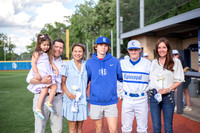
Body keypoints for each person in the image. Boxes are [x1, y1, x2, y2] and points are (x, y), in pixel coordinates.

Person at [26, 38, 64, 133]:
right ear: (52, 46)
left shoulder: (64, 64)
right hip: (41, 97)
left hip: (57, 99)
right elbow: (29, 79)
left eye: (61, 48)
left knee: (57, 129)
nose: (58, 49)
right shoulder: (41, 59)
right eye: (56, 47)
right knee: (39, 129)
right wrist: (43, 81)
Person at [86, 36, 122, 133]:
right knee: (99, 129)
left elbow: (121, 78)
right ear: (96, 47)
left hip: (111, 101)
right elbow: (86, 81)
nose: (103, 47)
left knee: (113, 130)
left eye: (106, 45)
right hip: (96, 101)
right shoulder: (89, 63)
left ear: (108, 47)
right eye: (101, 45)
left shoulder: (115, 61)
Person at [149, 37, 184, 133]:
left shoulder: (176, 62)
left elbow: (179, 80)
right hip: (154, 96)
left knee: (168, 127)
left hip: (168, 96)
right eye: (159, 47)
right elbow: (150, 78)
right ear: (156, 49)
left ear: (168, 48)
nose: (161, 50)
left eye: (164, 47)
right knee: (156, 127)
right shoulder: (154, 62)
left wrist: (168, 89)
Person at [120, 40, 151, 133]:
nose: (133, 52)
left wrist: (146, 90)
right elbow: (118, 79)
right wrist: (120, 93)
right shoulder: (122, 63)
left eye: (136, 50)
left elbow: (152, 80)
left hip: (141, 99)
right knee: (126, 128)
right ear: (128, 51)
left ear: (140, 50)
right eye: (131, 50)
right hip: (127, 98)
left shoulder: (147, 63)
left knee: (142, 128)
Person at [61, 42, 89, 133]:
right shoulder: (67, 65)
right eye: (75, 51)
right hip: (71, 100)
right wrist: (68, 94)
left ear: (83, 52)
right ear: (72, 52)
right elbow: (63, 82)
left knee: (80, 127)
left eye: (80, 51)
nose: (78, 53)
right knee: (72, 127)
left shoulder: (87, 65)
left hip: (82, 100)